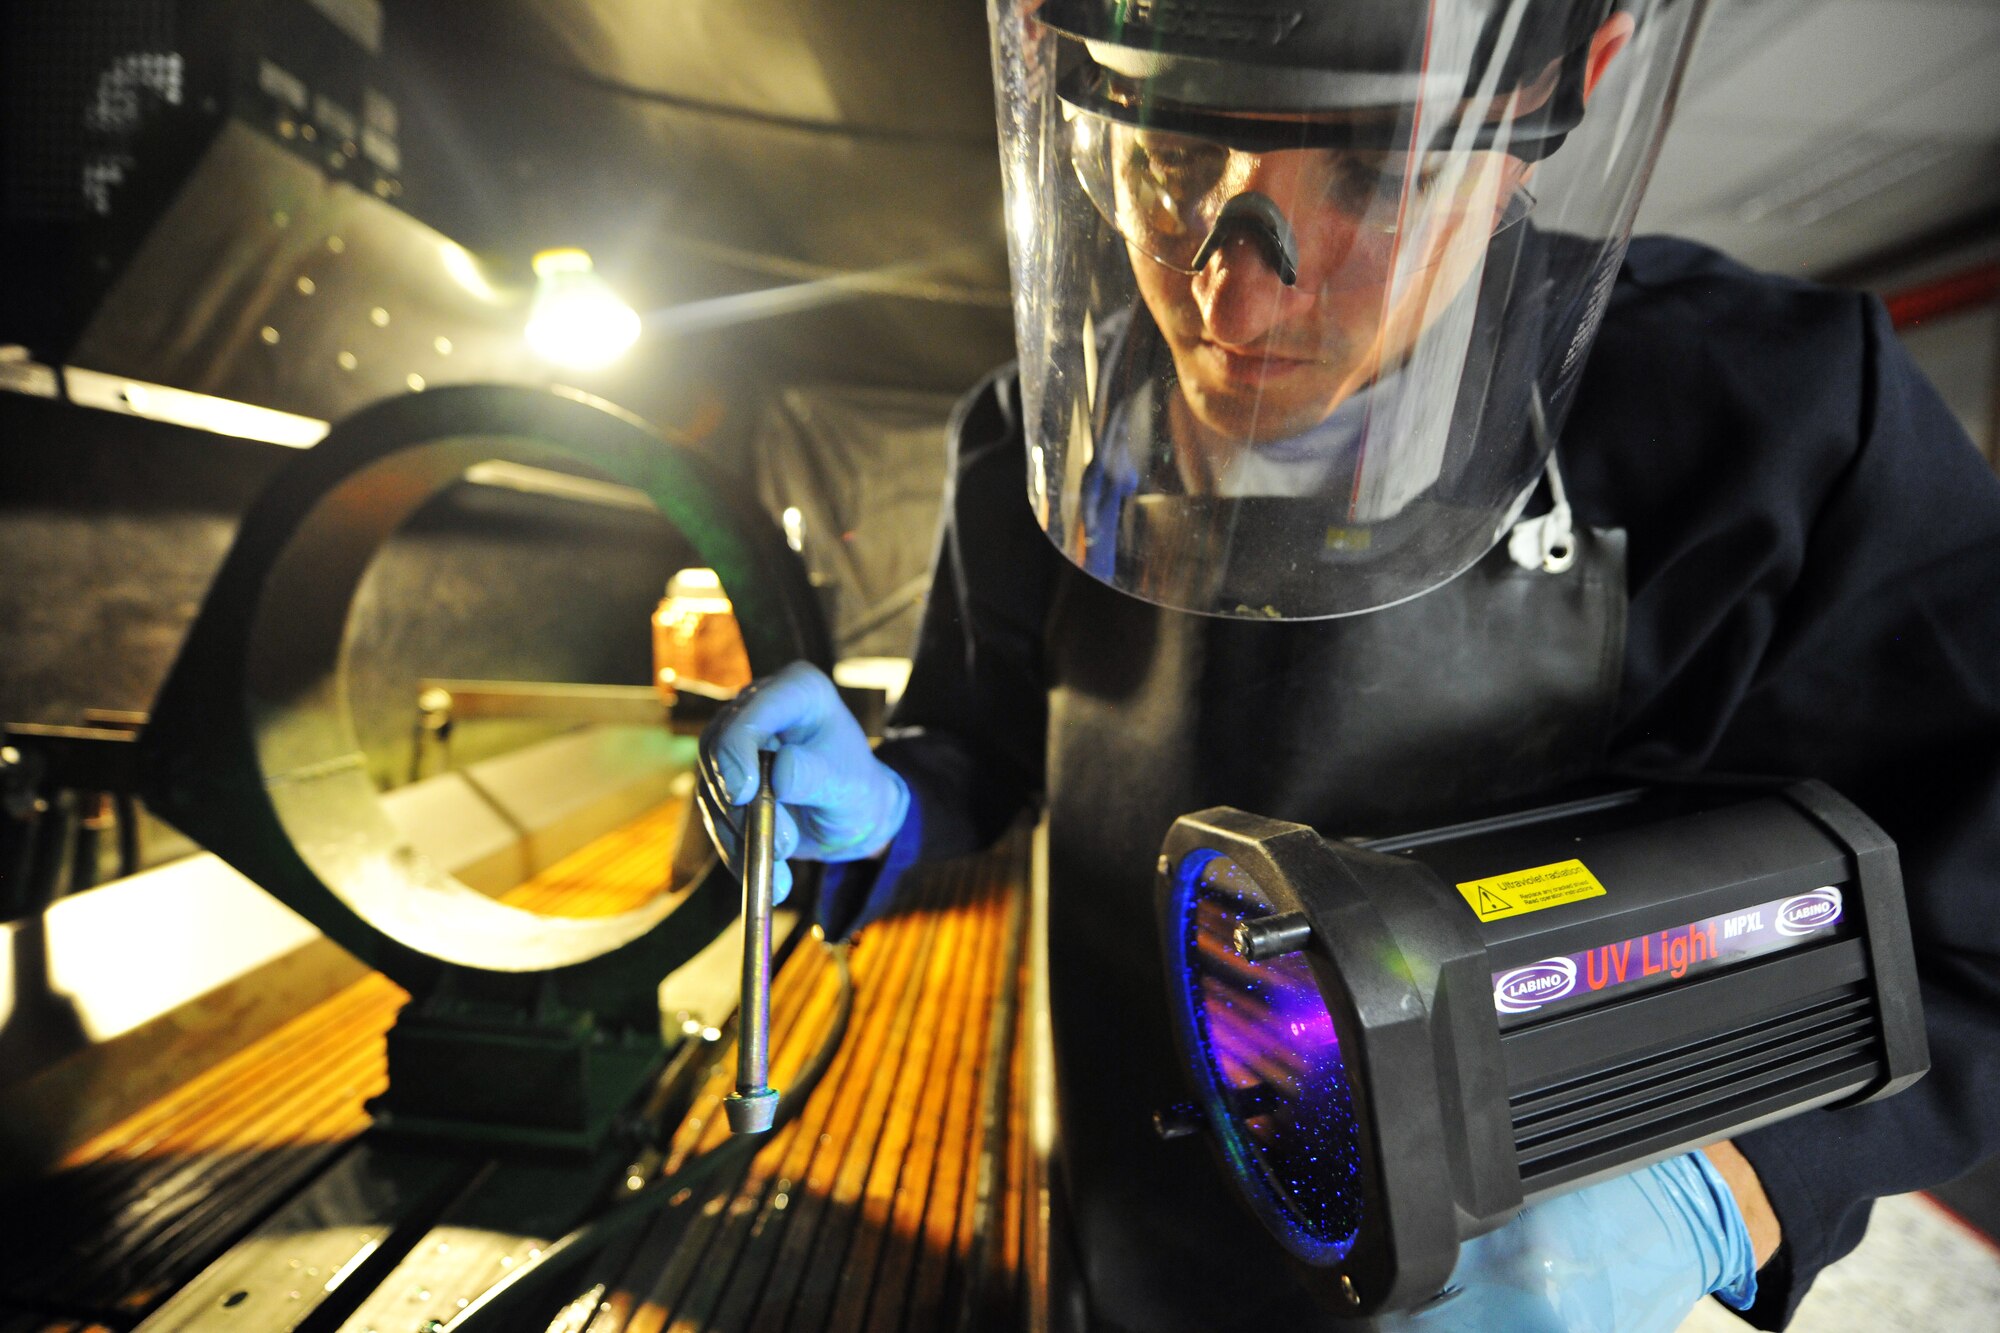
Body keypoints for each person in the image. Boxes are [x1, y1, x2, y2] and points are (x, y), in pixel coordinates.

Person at [701, 1, 2000, 1329]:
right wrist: (886, 801)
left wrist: (1725, 1183)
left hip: (1494, 1276)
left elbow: (1976, 934)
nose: (1234, 291)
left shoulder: (1766, 425)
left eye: (1380, 177)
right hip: (1124, 1231)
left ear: (1574, 77)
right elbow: (979, 746)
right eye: (1171, 160)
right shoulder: (1033, 434)